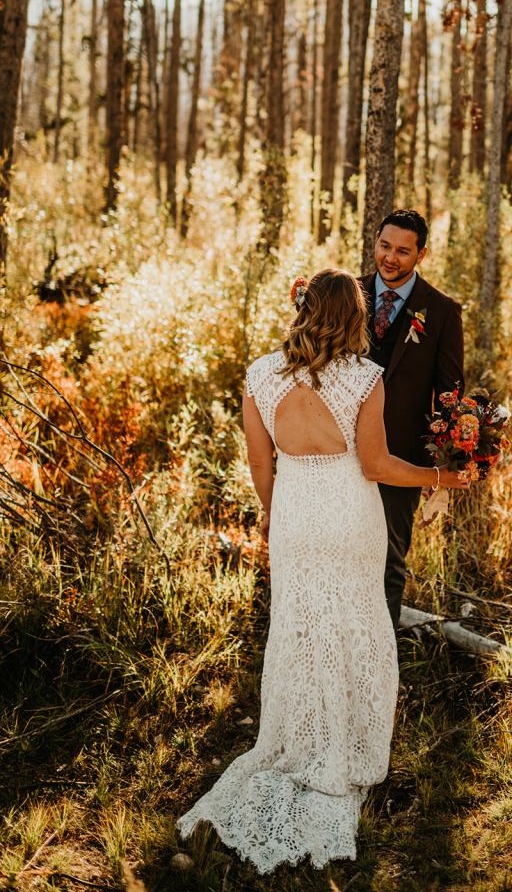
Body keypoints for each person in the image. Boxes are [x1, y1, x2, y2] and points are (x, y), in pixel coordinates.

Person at [177, 269, 469, 873]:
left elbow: (261, 465)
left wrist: (270, 515)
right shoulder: (365, 378)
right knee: (357, 622)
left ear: (304, 310)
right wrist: (440, 477)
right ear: (354, 318)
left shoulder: (260, 375)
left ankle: (298, 741)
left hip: (294, 513)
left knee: (300, 627)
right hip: (347, 512)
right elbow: (378, 464)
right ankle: (351, 750)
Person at [359, 210, 465, 629]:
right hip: (338, 450)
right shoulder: (347, 294)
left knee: (388, 557)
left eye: (403, 251)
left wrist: (440, 472)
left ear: (422, 254)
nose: (390, 258)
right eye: (385, 246)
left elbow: (450, 394)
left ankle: (381, 658)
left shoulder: (441, 311)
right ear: (376, 241)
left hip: (400, 457)